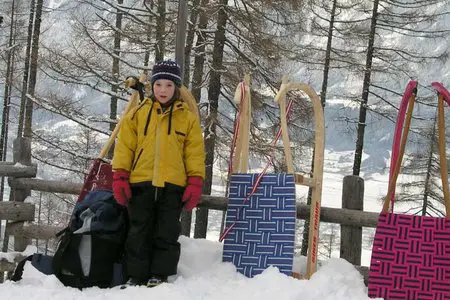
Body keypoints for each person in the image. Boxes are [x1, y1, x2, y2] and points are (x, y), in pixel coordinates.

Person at [111, 60, 205, 287]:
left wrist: (194, 183)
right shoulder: (137, 114)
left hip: (173, 186)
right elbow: (125, 147)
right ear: (152, 86)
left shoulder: (187, 118)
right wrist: (120, 177)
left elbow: (194, 153)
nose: (163, 90)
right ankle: (136, 274)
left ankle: (160, 275)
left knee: (166, 232)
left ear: (177, 88)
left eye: (169, 86)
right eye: (159, 84)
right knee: (138, 232)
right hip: (140, 183)